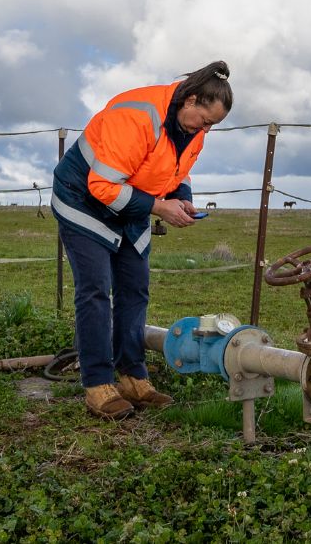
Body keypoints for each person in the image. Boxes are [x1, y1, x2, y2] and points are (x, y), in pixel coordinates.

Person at [52, 61, 233, 419]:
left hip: (130, 206)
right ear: (191, 99)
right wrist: (159, 209)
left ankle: (133, 377)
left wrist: (180, 197)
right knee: (95, 290)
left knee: (135, 287)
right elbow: (101, 185)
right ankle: (98, 384)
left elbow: (179, 169)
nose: (207, 131)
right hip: (83, 199)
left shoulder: (193, 128)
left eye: (213, 125)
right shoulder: (138, 116)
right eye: (206, 121)